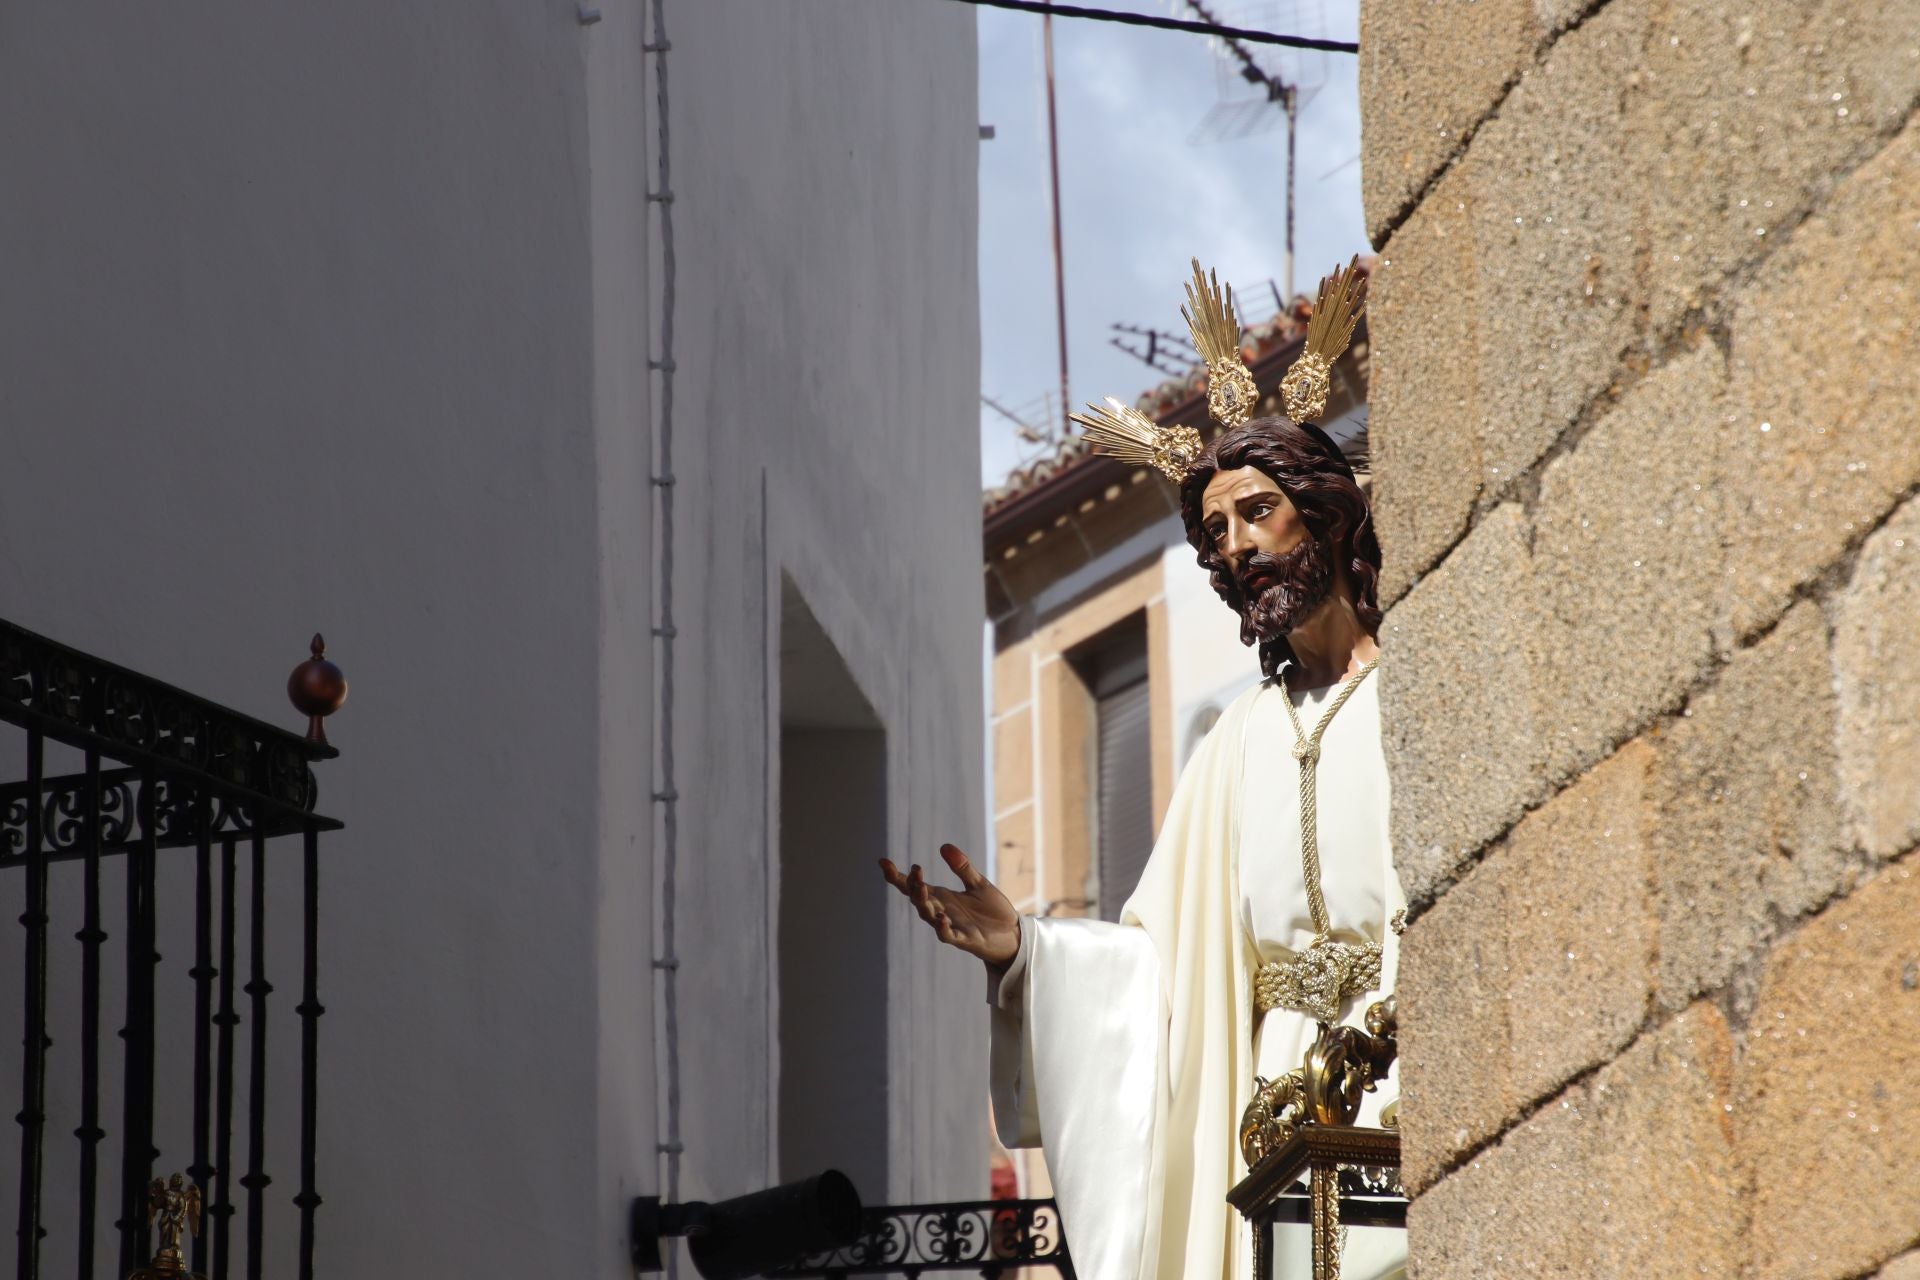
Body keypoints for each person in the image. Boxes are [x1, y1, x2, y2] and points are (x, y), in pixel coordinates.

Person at [880, 262, 1405, 1280]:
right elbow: (1154, 973)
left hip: (1410, 1071)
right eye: (1215, 531)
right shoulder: (1230, 750)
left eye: (1256, 512)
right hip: (1271, 1113)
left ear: (1325, 513)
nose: (1237, 545)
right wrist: (1025, 951)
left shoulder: (1414, 695)